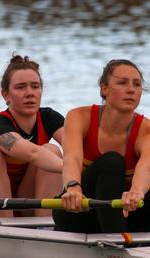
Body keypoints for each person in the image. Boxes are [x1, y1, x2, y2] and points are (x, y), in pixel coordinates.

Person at [53, 59, 150, 233]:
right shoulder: (79, 117)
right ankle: (116, 243)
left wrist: (136, 192)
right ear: (104, 89)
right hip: (79, 213)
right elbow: (71, 158)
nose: (131, 90)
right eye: (122, 83)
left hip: (128, 215)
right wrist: (74, 187)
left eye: (137, 85)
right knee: (112, 162)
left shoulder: (146, 130)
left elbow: (146, 167)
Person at [0, 54, 64, 220]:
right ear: (5, 95)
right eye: (21, 87)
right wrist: (71, 171)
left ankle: (48, 227)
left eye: (35, 86)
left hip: (24, 201)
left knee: (52, 150)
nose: (30, 93)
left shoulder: (49, 118)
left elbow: (79, 148)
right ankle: (6, 229)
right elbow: (32, 153)